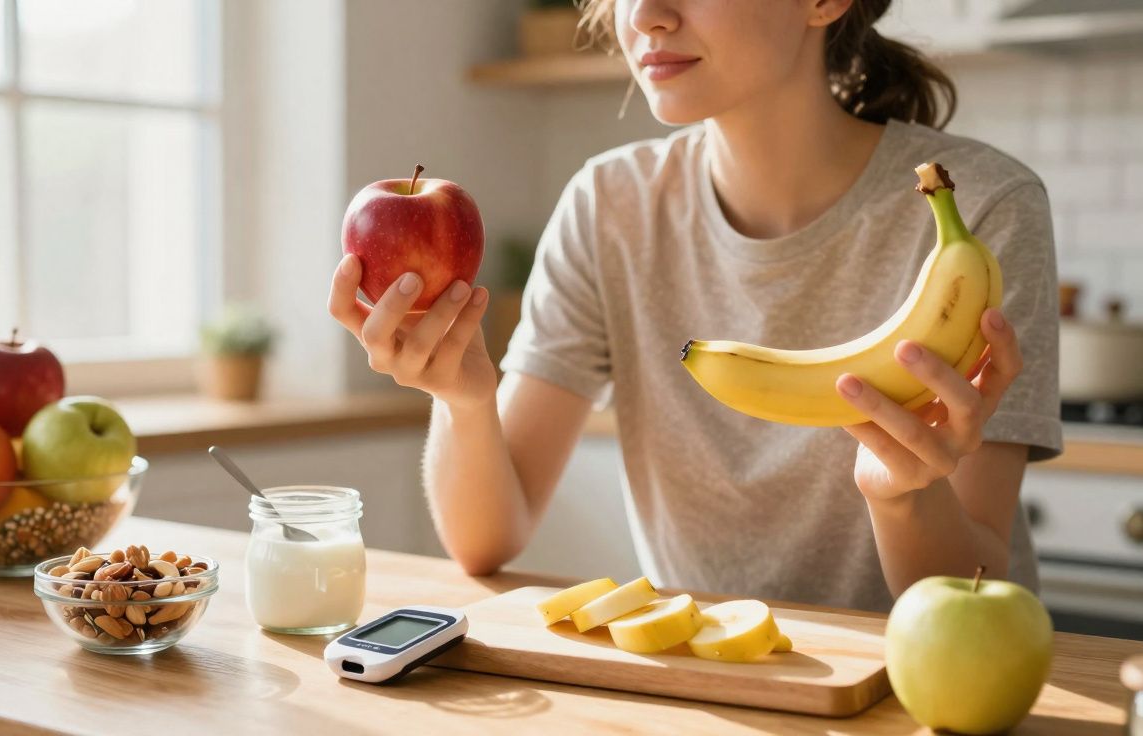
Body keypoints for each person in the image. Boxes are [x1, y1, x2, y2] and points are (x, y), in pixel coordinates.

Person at [328, 0, 1061, 612]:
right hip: (709, 688)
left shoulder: (979, 211)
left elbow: (977, 593)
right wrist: (462, 397)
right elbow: (487, 539)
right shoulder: (609, 205)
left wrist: (902, 497)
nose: (644, 15)